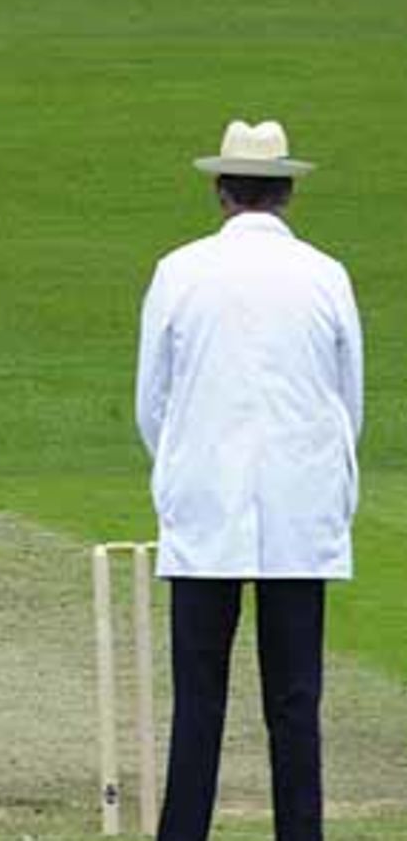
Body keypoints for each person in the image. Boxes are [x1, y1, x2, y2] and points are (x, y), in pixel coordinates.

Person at [135, 119, 363, 840]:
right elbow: (345, 402)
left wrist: (184, 466)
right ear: (288, 191)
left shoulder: (179, 269)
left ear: (221, 190)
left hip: (206, 506)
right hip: (301, 509)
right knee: (296, 700)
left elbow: (152, 403)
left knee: (198, 699)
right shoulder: (327, 274)